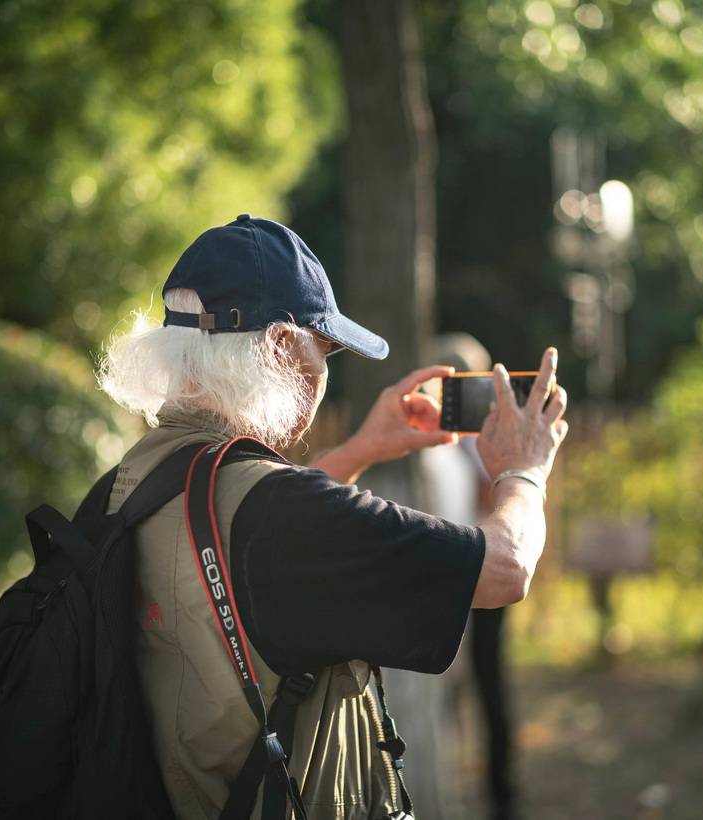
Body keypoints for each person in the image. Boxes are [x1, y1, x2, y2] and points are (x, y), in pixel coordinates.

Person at [96, 214, 568, 819]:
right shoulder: (284, 514)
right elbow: (505, 570)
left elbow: (260, 540)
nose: (323, 374)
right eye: (325, 349)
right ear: (282, 348)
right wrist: (524, 471)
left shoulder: (132, 481)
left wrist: (364, 448)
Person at [417, 334, 518, 820]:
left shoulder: (483, 445)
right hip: (449, 582)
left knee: (489, 687)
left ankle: (501, 795)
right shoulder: (430, 449)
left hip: (486, 581)